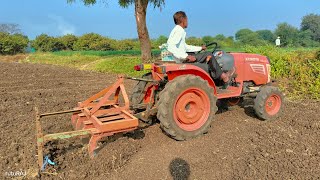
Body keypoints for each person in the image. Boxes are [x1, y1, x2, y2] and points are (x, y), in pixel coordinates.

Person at [167, 11, 230, 83]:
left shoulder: (177, 30)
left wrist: (200, 48)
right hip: (183, 59)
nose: (187, 22)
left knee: (203, 55)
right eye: (187, 20)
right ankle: (223, 76)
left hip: (182, 58)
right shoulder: (179, 31)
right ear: (183, 20)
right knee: (209, 54)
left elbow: (185, 47)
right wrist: (185, 56)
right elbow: (171, 47)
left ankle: (216, 76)